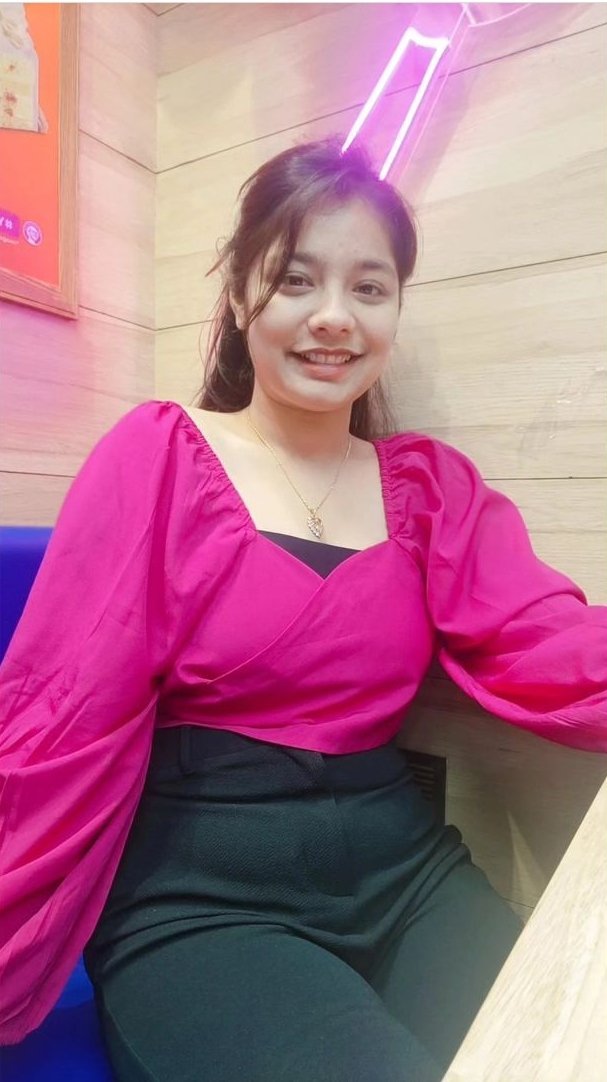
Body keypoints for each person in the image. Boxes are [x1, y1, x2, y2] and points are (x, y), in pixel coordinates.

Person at [0, 138, 605, 1081]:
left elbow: (545, 642)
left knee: (554, 1050)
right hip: (199, 898)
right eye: (295, 280)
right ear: (241, 292)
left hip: (406, 873)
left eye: (369, 288)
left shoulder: (429, 488)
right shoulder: (159, 454)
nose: (333, 317)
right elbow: (61, 706)